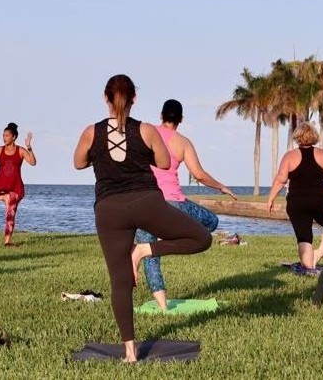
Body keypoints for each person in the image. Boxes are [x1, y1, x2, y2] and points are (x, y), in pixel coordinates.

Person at [73, 74, 211, 363]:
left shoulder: (91, 132)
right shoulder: (147, 130)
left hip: (109, 209)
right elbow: (162, 162)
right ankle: (146, 250)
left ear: (105, 98)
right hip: (145, 202)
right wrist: (139, 155)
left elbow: (79, 163)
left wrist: (103, 157)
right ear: (134, 98)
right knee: (201, 237)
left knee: (120, 281)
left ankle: (130, 353)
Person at [135, 99, 236, 311]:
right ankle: (166, 239)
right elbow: (199, 175)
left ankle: (162, 305)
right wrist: (221, 187)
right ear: (180, 119)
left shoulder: (146, 132)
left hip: (144, 202)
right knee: (211, 220)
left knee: (149, 255)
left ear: (161, 115)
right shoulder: (182, 142)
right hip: (174, 203)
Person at [266, 122, 323, 269]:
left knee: (304, 237)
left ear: (297, 137)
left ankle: (310, 265)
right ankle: (316, 256)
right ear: (314, 136)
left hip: (297, 203)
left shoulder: (289, 156)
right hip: (320, 201)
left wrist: (271, 199)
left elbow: (280, 180)